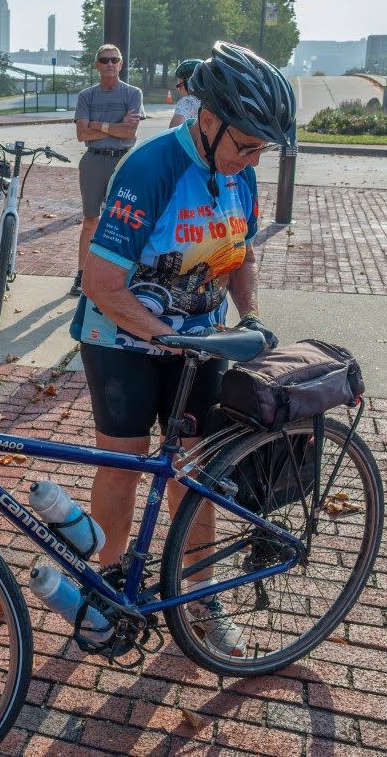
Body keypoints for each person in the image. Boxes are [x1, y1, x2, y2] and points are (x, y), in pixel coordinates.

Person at [72, 41, 293, 658]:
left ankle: (201, 593)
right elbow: (101, 282)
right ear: (208, 118)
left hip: (198, 341)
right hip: (122, 337)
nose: (252, 159)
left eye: (260, 150)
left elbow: (238, 255)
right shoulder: (151, 168)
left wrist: (250, 319)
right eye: (245, 144)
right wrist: (164, 337)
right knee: (123, 461)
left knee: (194, 471)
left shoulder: (239, 174)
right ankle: (107, 584)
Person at [72, 43, 144, 295]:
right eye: (104, 60)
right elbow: (81, 135)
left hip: (123, 161)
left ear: (121, 64)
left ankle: (121, 277)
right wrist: (115, 125)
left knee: (123, 220)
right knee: (91, 219)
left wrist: (97, 124)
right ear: (96, 65)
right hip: (93, 160)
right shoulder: (86, 96)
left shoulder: (133, 94)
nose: (110, 64)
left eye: (114, 59)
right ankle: (81, 275)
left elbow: (130, 131)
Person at [169, 59, 203, 128]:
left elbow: (175, 128)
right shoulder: (215, 100)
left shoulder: (188, 102)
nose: (178, 89)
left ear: (189, 84)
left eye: (179, 85)